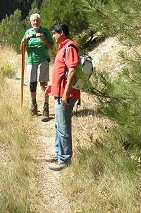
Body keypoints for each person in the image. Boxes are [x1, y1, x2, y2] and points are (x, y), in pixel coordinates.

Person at [47, 22, 80, 171]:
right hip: (59, 93)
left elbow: (72, 70)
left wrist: (65, 93)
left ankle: (64, 159)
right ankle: (58, 153)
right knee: (58, 126)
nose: (53, 36)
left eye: (54, 33)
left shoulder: (70, 47)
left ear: (61, 33)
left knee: (63, 127)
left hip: (65, 95)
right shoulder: (62, 47)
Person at [20, 13, 53, 121]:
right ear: (31, 22)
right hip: (31, 61)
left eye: (37, 20)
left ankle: (45, 108)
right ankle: (34, 106)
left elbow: (51, 47)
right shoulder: (28, 32)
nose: (35, 22)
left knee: (43, 84)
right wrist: (25, 39)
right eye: (33, 21)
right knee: (32, 84)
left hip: (43, 61)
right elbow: (21, 48)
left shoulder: (45, 32)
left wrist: (43, 39)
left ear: (40, 21)